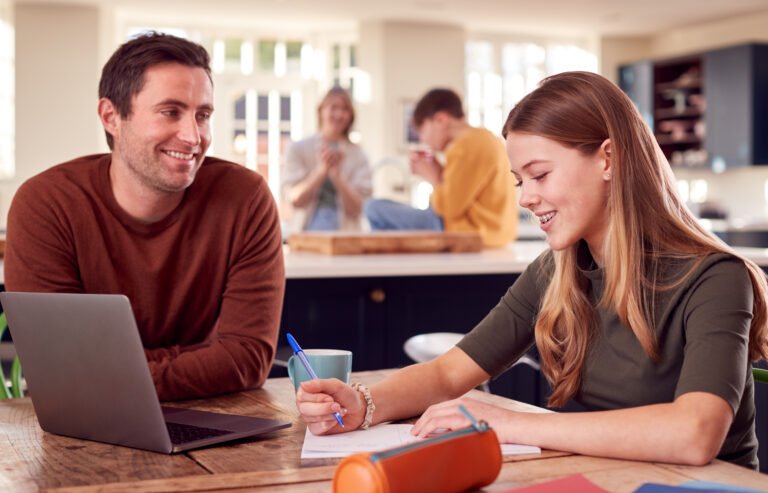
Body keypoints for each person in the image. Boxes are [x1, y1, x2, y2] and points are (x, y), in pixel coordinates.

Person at [296, 71, 768, 469]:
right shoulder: (558, 271)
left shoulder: (715, 277)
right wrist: (364, 402)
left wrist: (508, 421)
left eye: (540, 175)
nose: (525, 198)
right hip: (608, 483)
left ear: (608, 158)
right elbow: (447, 373)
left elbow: (695, 433)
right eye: (520, 181)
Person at [4, 32, 285, 401]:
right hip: (88, 424)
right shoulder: (46, 204)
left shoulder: (246, 198)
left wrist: (113, 371)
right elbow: (60, 369)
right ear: (111, 117)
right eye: (170, 112)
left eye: (202, 115)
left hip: (212, 416)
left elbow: (246, 359)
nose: (193, 136)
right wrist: (202, 361)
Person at [363, 88, 517, 247]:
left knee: (373, 207)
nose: (423, 139)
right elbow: (461, 196)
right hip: (488, 232)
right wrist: (439, 172)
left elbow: (447, 208)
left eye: (422, 131)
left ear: (440, 120)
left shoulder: (468, 144)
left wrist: (432, 176)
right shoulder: (481, 139)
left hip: (467, 231)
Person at [282, 87, 372, 232]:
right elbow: (294, 199)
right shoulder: (298, 149)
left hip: (346, 236)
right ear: (321, 110)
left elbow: (360, 208)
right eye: (333, 107)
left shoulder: (359, 155)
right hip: (305, 234)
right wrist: (322, 171)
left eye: (345, 109)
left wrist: (337, 176)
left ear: (351, 115)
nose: (339, 114)